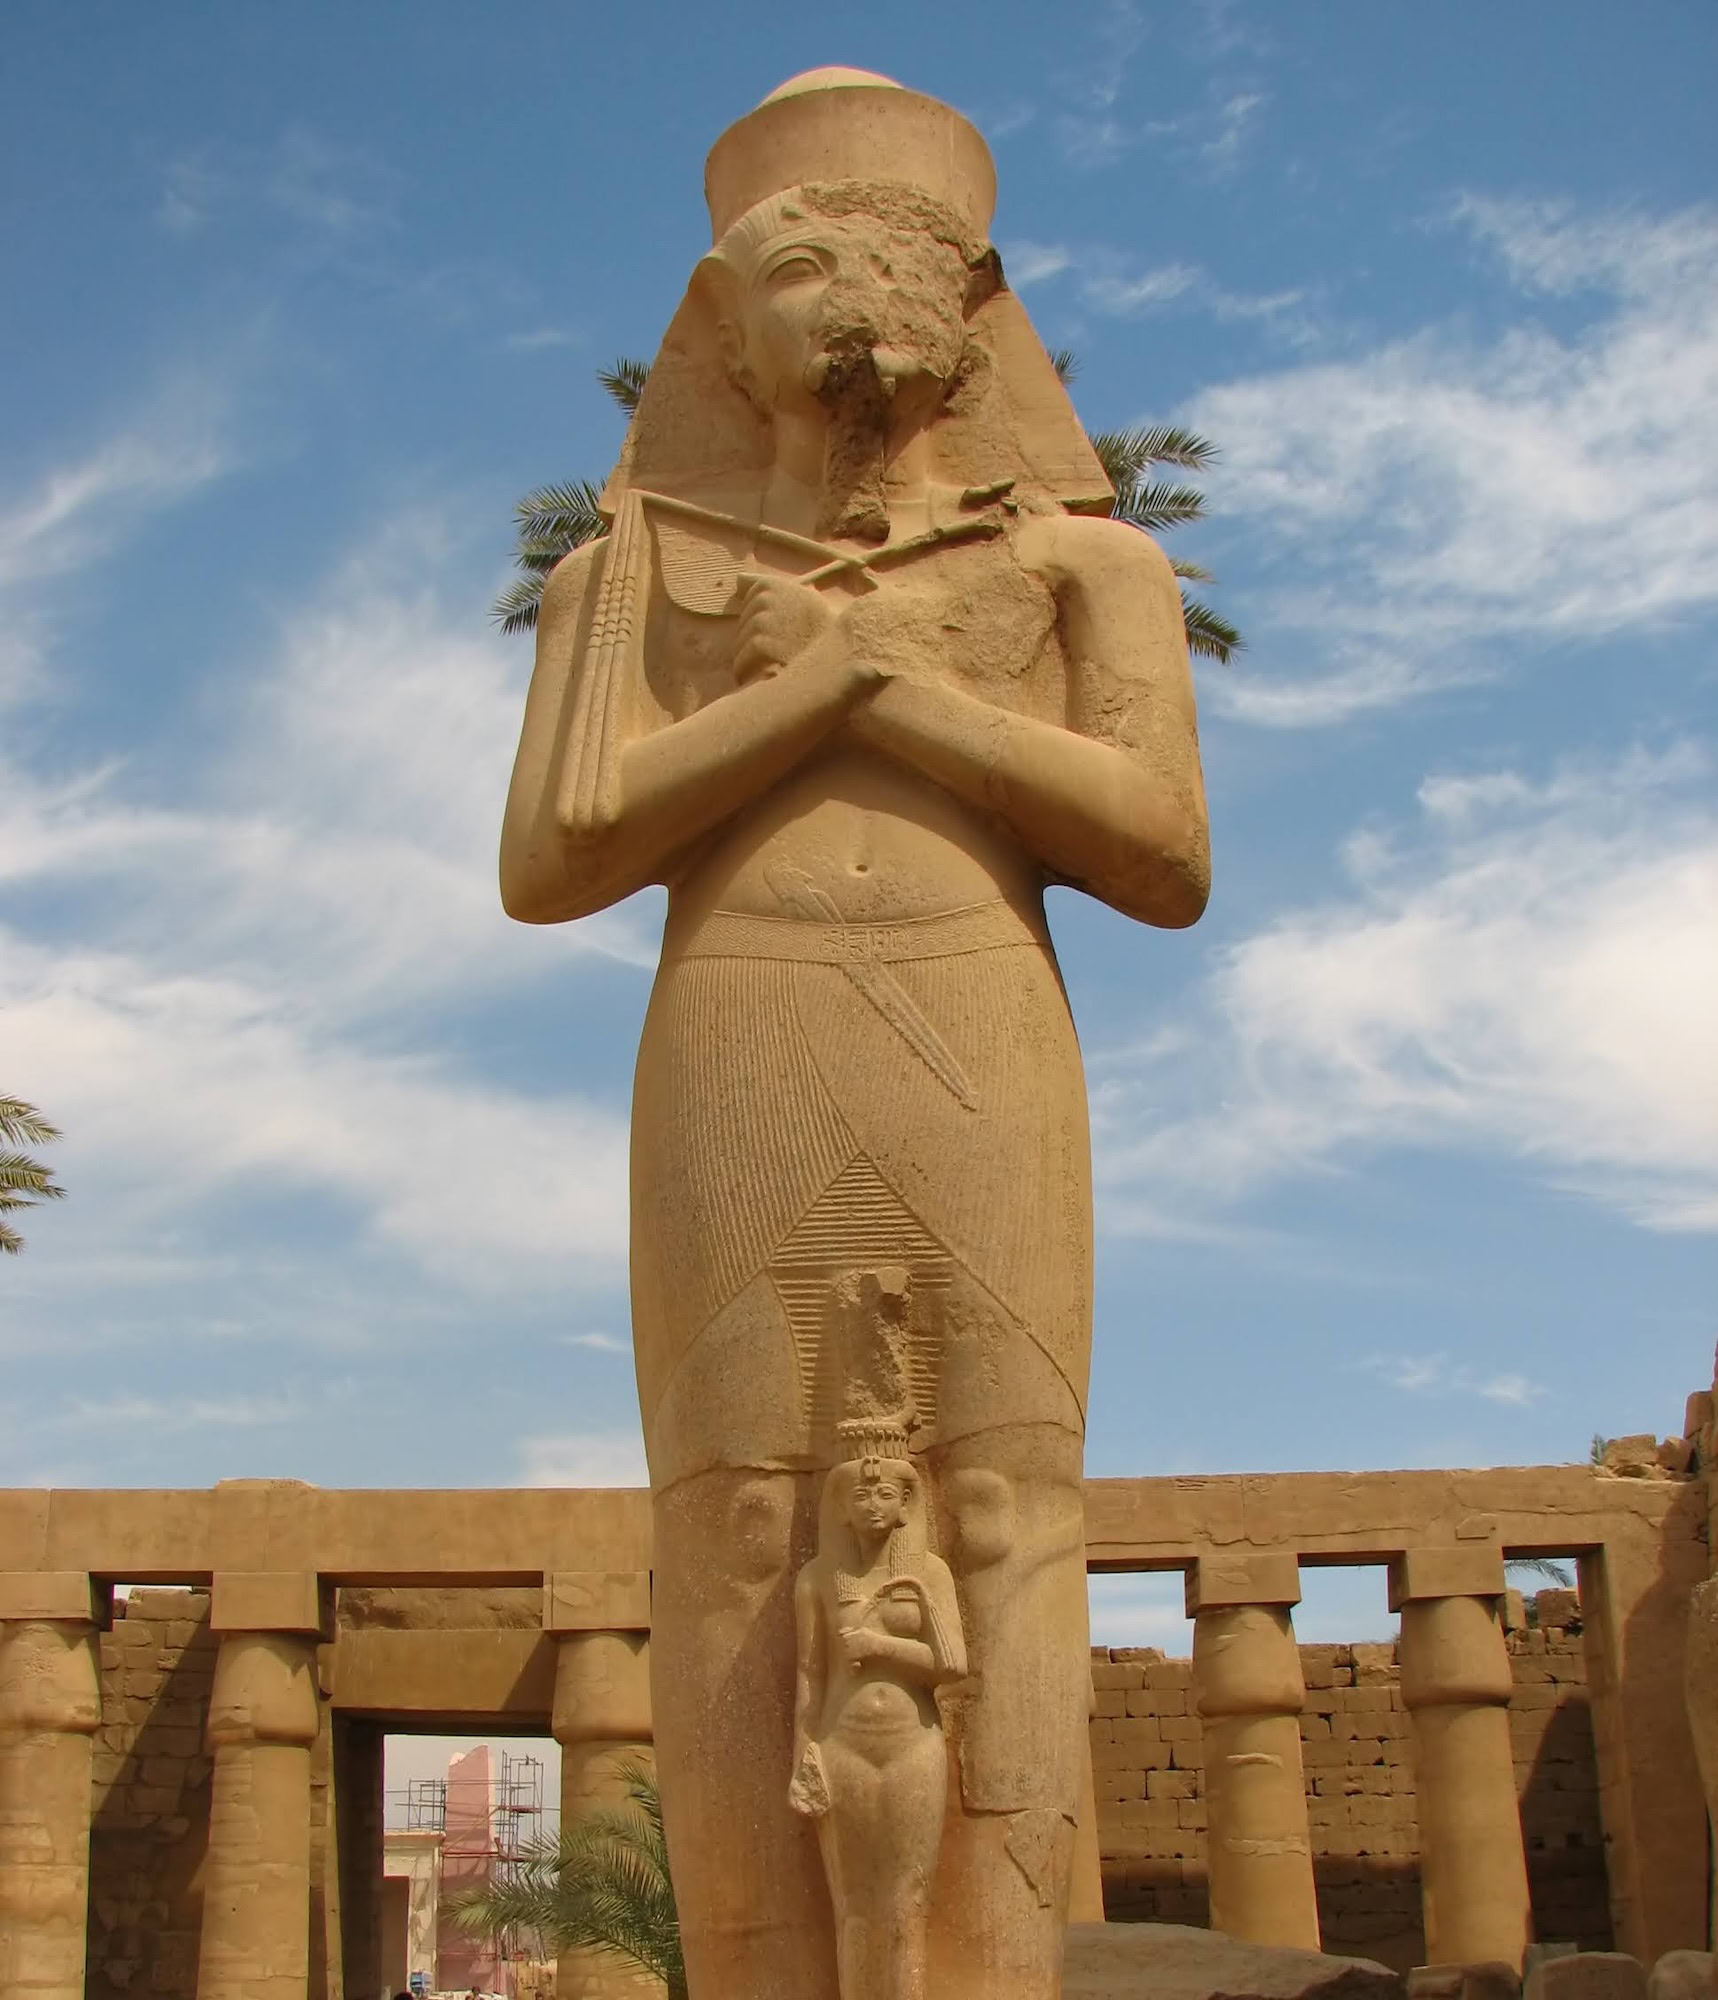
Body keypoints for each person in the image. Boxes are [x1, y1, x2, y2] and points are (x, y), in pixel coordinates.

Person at [500, 68, 1207, 2000]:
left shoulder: (1087, 566)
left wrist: (890, 696)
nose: (839, 294)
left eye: (880, 254)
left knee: (1001, 1507)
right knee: (733, 1524)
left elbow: (1158, 854)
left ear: (972, 306)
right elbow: (556, 853)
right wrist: (817, 692)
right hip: (740, 1033)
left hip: (980, 1024)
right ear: (716, 332)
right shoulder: (625, 575)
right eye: (789, 263)